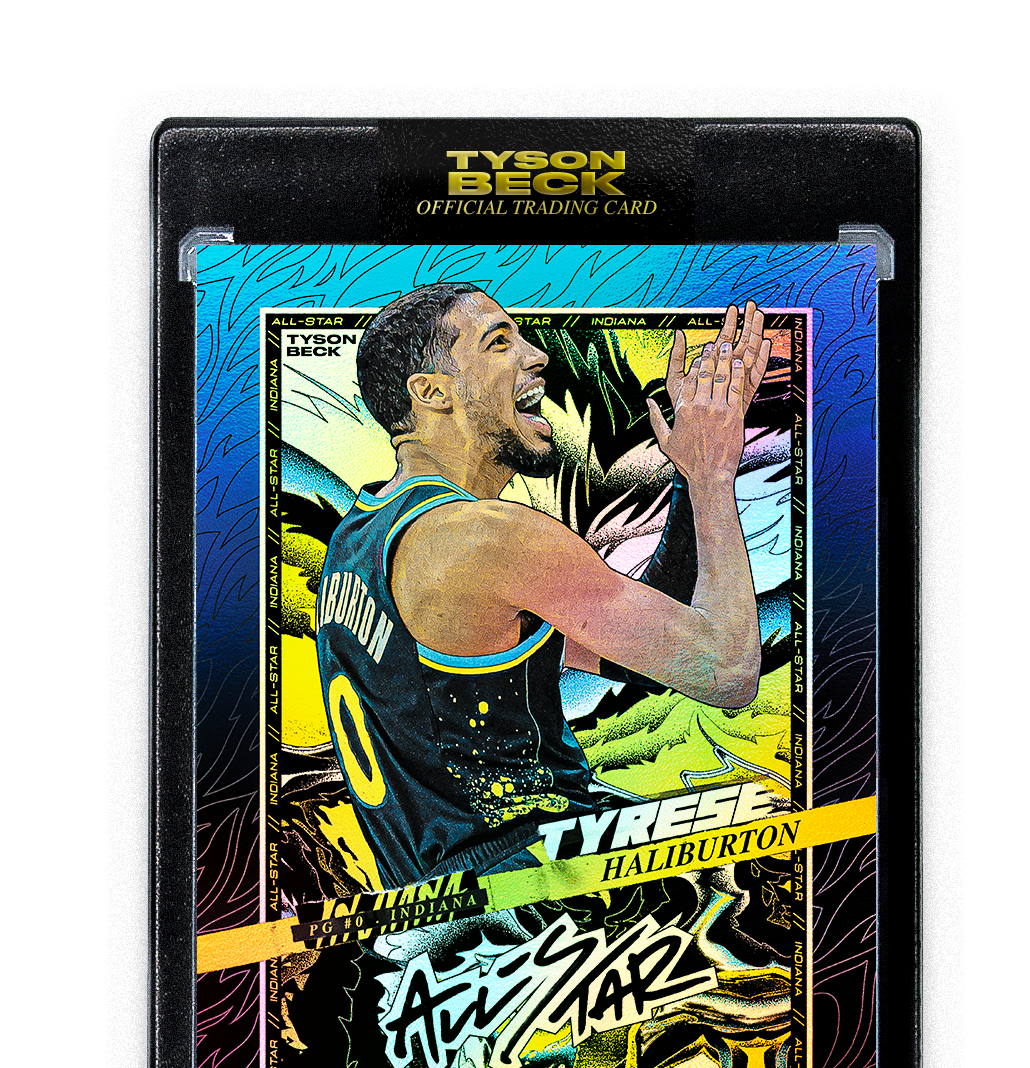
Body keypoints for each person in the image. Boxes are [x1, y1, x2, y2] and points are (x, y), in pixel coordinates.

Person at [313, 283, 772, 891]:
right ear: (432, 393)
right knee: (774, 818)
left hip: (449, 905)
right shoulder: (486, 536)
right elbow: (728, 672)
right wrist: (714, 474)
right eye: (500, 343)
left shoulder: (358, 537)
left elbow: (643, 654)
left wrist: (687, 478)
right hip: (545, 897)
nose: (538, 356)